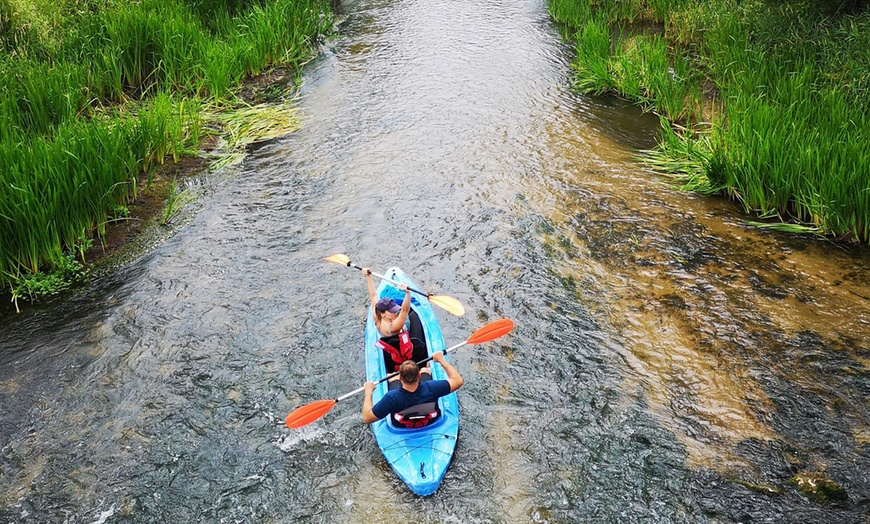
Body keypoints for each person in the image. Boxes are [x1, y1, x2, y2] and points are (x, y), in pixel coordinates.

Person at [362, 352, 463, 425]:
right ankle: (425, 369)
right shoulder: (432, 387)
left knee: (392, 378)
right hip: (430, 421)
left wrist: (368, 391)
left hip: (402, 426)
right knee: (426, 370)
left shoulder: (391, 397)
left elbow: (367, 418)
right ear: (418, 376)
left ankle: (393, 377)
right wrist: (442, 360)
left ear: (400, 378)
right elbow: (458, 381)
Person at [362, 267, 428, 375]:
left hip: (393, 349)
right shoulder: (394, 327)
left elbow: (373, 296)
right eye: (391, 311)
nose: (395, 312)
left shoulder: (376, 317)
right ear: (383, 313)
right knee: (413, 315)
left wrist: (368, 277)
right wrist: (407, 293)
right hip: (405, 350)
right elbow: (405, 310)